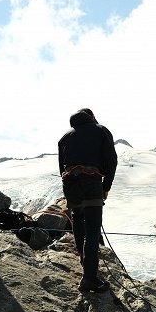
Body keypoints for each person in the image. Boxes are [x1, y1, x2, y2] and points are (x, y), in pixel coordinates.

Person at [58, 108, 118, 293]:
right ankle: (90, 278)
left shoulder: (64, 137)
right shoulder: (100, 130)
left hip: (70, 183)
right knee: (92, 229)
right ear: (92, 117)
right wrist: (105, 187)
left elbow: (61, 166)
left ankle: (84, 263)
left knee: (78, 221)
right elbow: (111, 160)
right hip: (91, 180)